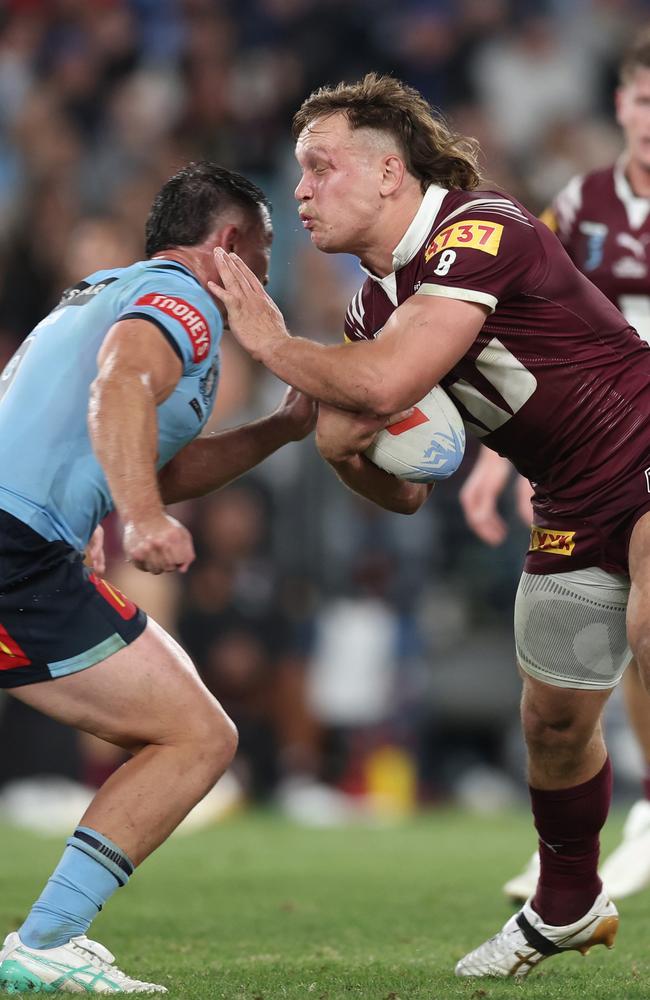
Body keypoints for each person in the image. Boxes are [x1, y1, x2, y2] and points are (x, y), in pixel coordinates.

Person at [210, 71, 650, 979]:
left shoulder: (481, 226)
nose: (300, 191)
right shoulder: (372, 308)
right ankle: (567, 904)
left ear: (388, 173)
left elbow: (380, 384)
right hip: (569, 500)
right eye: (298, 171)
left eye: (319, 167)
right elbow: (407, 491)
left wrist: (270, 340)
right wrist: (347, 458)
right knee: (556, 727)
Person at [0, 161, 316, 994]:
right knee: (197, 737)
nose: (269, 275)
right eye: (268, 250)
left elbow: (149, 454)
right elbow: (121, 385)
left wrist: (277, 432)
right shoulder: (187, 301)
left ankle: (46, 938)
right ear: (230, 244)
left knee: (191, 731)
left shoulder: (105, 289)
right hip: (15, 549)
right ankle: (46, 940)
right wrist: (135, 518)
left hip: (27, 544)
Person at [460, 30, 650, 904]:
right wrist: (502, 460)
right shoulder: (579, 205)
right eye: (644, 101)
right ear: (621, 103)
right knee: (593, 646)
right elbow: (533, 328)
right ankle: (595, 837)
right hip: (594, 447)